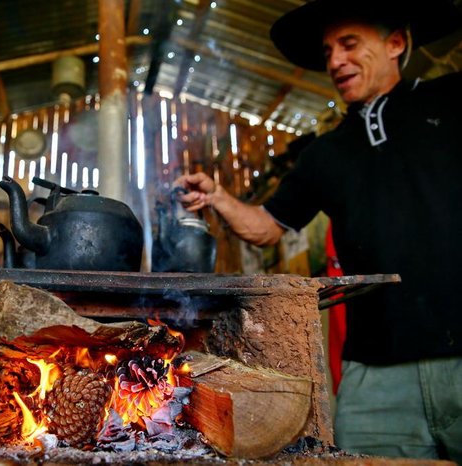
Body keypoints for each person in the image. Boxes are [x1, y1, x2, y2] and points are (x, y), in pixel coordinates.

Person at [175, 0, 462, 461]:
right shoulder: (324, 155)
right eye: (328, 50)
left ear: (395, 43)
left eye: (349, 45)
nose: (335, 61)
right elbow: (267, 227)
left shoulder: (451, 102)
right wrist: (218, 199)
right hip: (375, 375)